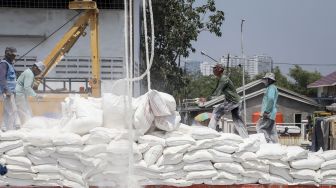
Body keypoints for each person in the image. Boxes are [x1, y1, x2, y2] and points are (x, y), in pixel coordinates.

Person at [207, 64, 249, 138]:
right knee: (237, 120)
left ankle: (210, 132)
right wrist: (208, 97)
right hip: (236, 101)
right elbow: (215, 89)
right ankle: (245, 137)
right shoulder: (220, 78)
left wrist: (209, 99)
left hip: (233, 101)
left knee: (216, 111)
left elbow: (218, 91)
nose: (213, 70)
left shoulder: (223, 78)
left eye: (215, 69)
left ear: (219, 70)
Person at [15, 61, 45, 125]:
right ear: (34, 67)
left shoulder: (29, 72)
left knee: (25, 110)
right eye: (39, 70)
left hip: (21, 94)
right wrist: (36, 96)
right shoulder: (30, 74)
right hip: (20, 95)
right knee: (24, 111)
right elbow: (27, 87)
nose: (39, 73)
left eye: (40, 71)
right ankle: (25, 126)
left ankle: (25, 125)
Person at [256, 72, 279, 143]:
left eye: (265, 79)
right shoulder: (272, 88)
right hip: (272, 114)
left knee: (260, 127)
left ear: (269, 80)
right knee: (272, 132)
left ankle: (267, 143)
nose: (264, 81)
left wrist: (266, 111)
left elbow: (271, 99)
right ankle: (275, 146)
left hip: (268, 114)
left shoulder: (271, 88)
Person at [0, 47, 18, 131]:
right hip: (7, 91)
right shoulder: (4, 64)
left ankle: (5, 128)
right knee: (11, 110)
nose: (14, 57)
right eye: (13, 55)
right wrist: (6, 90)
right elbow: (2, 78)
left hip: (11, 91)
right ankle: (10, 129)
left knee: (8, 110)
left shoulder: (9, 64)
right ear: (7, 54)